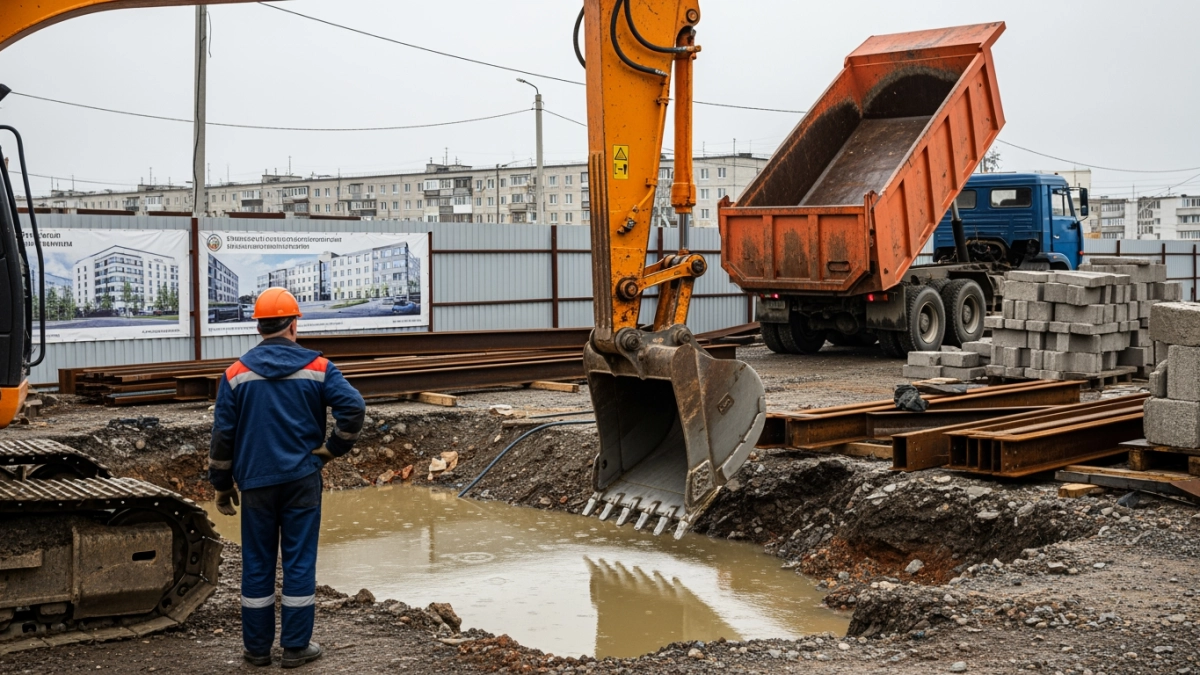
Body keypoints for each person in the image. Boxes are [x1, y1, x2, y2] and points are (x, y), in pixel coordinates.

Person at [208, 287, 365, 668]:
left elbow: (222, 437)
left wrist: (222, 485)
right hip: (302, 479)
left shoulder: (235, 374)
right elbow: (354, 408)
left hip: (256, 482)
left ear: (259, 327)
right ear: (294, 324)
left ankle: (257, 649)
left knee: (258, 562)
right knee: (298, 561)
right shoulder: (319, 368)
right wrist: (332, 449)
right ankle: (295, 648)